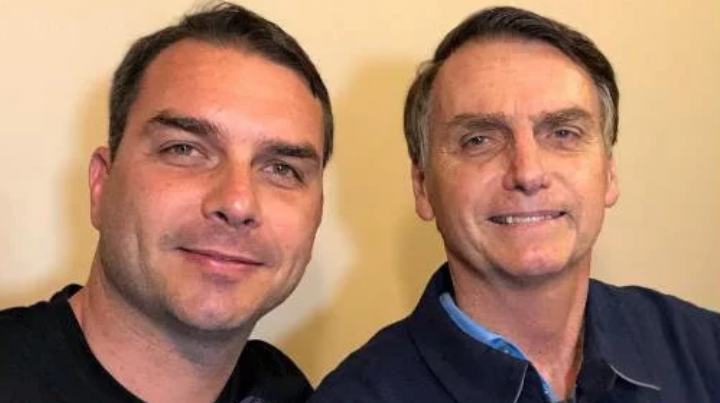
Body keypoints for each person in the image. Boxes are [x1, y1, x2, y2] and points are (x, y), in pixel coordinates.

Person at [310, 6, 719, 403]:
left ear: (609, 173)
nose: (528, 172)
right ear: (422, 186)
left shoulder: (706, 351)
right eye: (479, 140)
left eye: (563, 133)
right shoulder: (355, 395)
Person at [0, 3, 333, 403]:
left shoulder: (289, 391)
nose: (238, 203)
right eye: (184, 149)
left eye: (282, 168)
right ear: (101, 183)